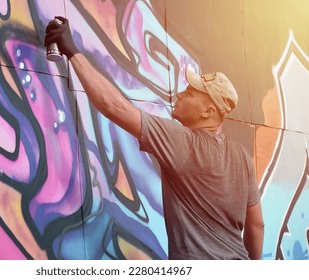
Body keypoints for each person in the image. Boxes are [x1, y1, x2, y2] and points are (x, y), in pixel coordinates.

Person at [45, 16, 264, 260]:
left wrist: (72, 52)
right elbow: (256, 226)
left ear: (208, 111)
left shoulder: (182, 142)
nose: (180, 94)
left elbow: (113, 107)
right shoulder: (242, 157)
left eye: (190, 93)